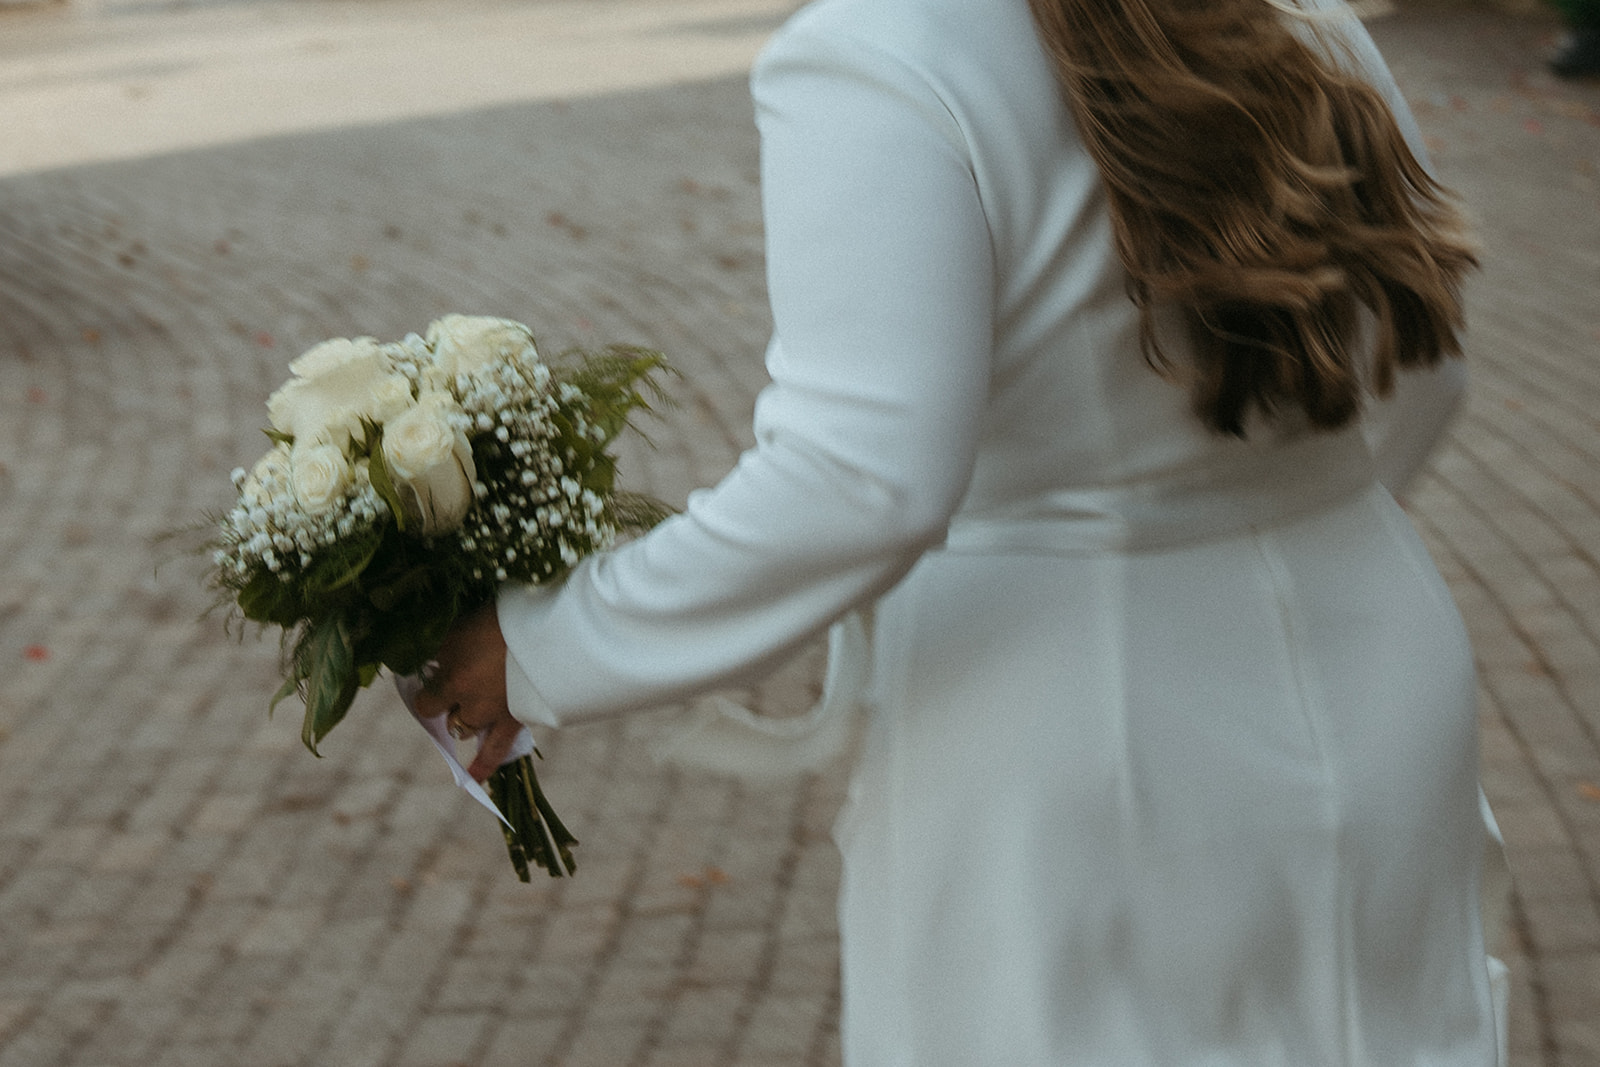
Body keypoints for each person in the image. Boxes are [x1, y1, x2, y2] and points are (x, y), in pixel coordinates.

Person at [417, 0, 1506, 1061]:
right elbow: (1425, 371)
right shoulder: (1302, 20)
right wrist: (1269, 515)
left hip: (1074, 730)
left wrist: (544, 643)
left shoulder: (879, 49)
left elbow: (859, 478)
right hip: (1378, 673)